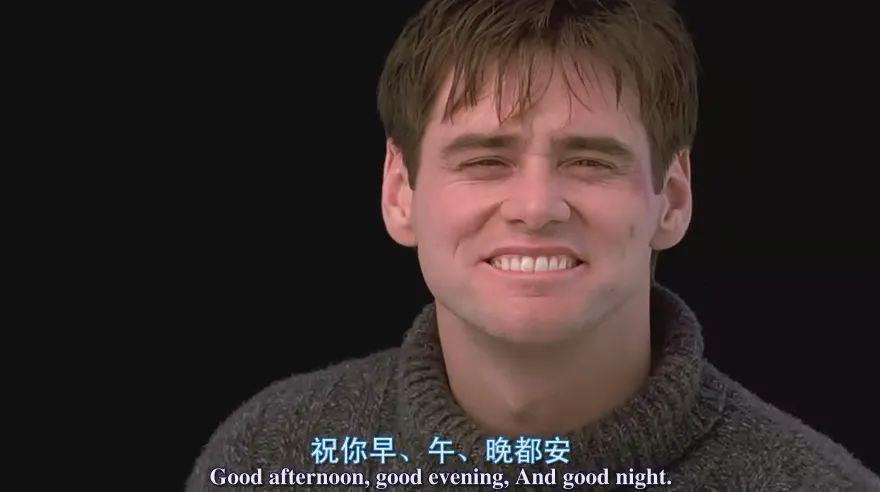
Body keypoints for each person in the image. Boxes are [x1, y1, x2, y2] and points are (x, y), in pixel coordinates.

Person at [187, 0, 879, 490]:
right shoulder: (272, 458)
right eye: (486, 159)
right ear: (400, 192)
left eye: (590, 160)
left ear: (671, 199)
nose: (536, 207)